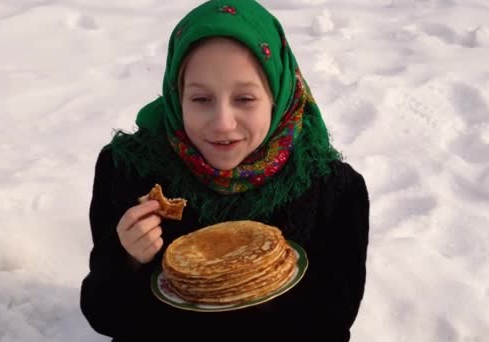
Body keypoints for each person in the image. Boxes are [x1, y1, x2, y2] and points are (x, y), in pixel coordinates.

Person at [80, 0, 370, 340]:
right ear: (176, 95)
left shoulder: (331, 192)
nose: (222, 124)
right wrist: (126, 260)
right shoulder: (129, 172)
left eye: (245, 99)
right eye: (201, 99)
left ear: (278, 95)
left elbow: (330, 325)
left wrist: (257, 286)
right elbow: (105, 316)